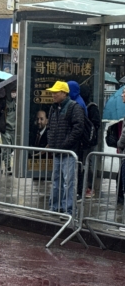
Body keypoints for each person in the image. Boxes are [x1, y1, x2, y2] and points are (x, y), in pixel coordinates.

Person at [46, 81, 85, 216]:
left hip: (69, 152)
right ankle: (55, 207)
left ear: (64, 93)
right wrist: (52, 142)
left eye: (56, 92)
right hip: (58, 151)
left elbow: (78, 128)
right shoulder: (53, 108)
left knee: (68, 182)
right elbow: (50, 127)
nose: (53, 95)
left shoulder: (74, 107)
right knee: (56, 181)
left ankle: (68, 210)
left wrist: (65, 144)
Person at [80, 85, 100, 198]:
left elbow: (96, 124)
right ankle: (85, 186)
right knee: (84, 163)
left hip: (89, 140)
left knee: (87, 163)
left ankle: (90, 187)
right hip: (84, 140)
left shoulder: (92, 107)